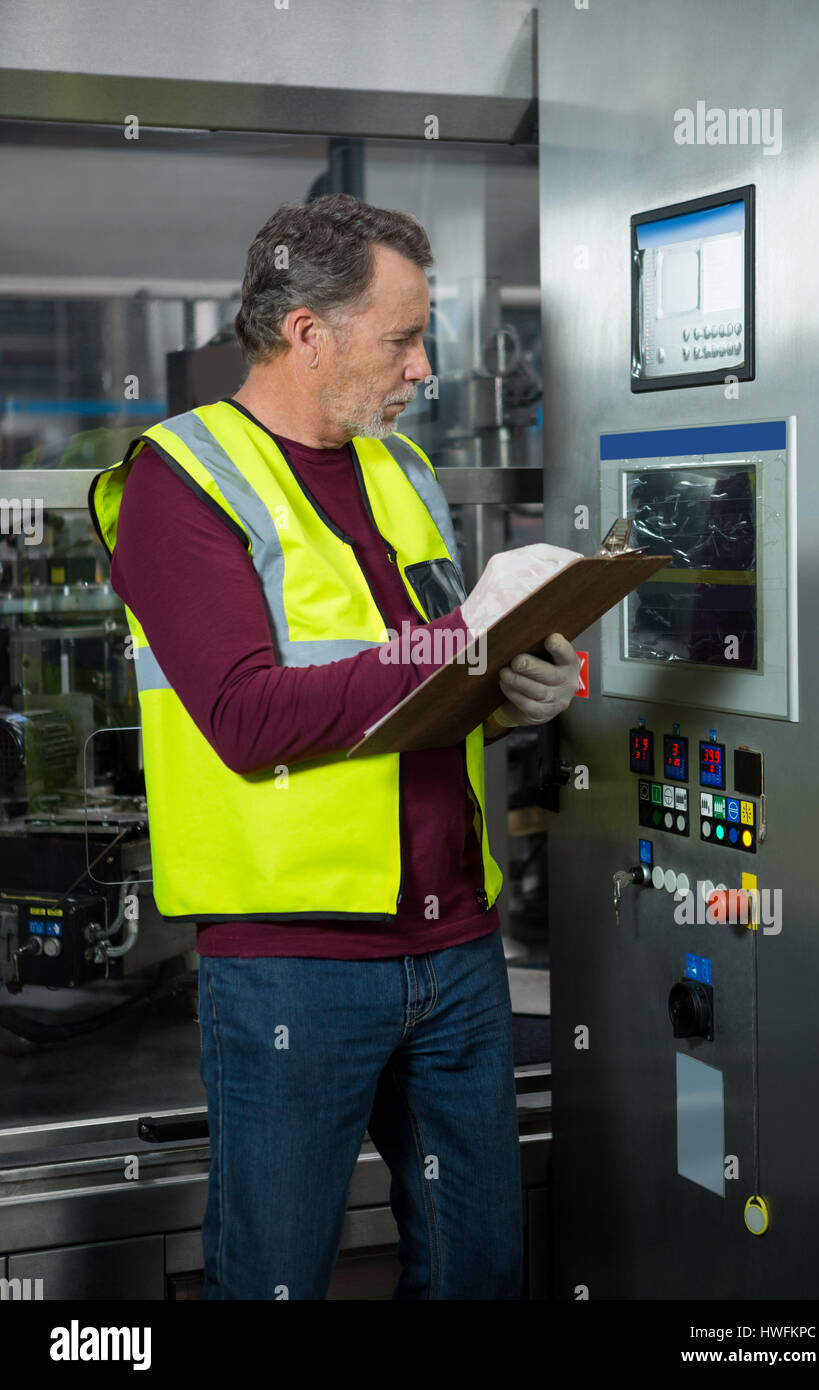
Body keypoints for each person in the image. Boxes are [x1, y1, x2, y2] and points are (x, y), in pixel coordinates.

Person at [88, 193, 581, 1300]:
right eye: (401, 339)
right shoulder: (180, 480)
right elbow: (246, 717)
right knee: (276, 1278)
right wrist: (460, 637)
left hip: (456, 943)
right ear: (307, 333)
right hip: (293, 966)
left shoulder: (399, 472)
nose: (422, 369)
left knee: (479, 1273)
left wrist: (510, 694)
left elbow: (425, 689)